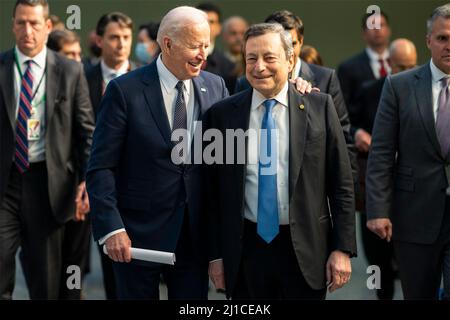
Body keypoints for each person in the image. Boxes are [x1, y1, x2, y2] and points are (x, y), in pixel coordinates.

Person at [86, 6, 229, 300]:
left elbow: (224, 167)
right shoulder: (124, 91)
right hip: (135, 239)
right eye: (194, 45)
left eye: (206, 44)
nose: (203, 53)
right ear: (167, 44)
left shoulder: (215, 87)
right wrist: (112, 228)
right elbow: (101, 167)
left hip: (193, 239)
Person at [206, 23, 356, 300]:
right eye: (251, 58)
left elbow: (341, 183)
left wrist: (342, 249)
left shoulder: (319, 107)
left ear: (290, 60)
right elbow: (214, 193)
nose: (259, 66)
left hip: (305, 250)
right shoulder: (223, 115)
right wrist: (216, 255)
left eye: (269, 57)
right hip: (245, 251)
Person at [0, 0, 94, 300]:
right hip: (6, 182)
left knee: (46, 279)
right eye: (21, 22)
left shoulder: (69, 71)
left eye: (34, 23)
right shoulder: (1, 66)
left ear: (48, 26)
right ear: (13, 24)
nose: (27, 30)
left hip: (50, 184)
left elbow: (86, 132)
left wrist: (87, 179)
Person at [366, 4, 450, 300]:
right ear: (428, 40)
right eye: (442, 38)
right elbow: (382, 152)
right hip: (414, 214)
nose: (449, 46)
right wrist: (377, 210)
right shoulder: (399, 86)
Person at [354, 38, 417, 300]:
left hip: (413, 189)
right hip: (376, 185)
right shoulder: (370, 90)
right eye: (401, 66)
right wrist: (358, 133)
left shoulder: (425, 90)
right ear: (388, 64)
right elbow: (350, 121)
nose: (407, 71)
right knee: (376, 257)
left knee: (413, 260)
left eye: (411, 65)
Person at [85, 11, 137, 300]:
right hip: (97, 180)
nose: (121, 44)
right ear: (99, 40)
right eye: (114, 37)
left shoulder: (147, 76)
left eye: (126, 37)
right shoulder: (82, 77)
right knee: (111, 263)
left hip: (137, 184)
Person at [337, 11, 391, 141]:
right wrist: (355, 133)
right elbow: (340, 111)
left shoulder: (403, 64)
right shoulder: (348, 69)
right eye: (372, 26)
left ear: (388, 30)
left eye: (381, 25)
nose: (377, 29)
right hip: (364, 146)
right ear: (364, 33)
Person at [196, 2, 236, 93]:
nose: (206, 25)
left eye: (211, 22)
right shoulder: (180, 58)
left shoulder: (228, 67)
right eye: (202, 21)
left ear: (219, 28)